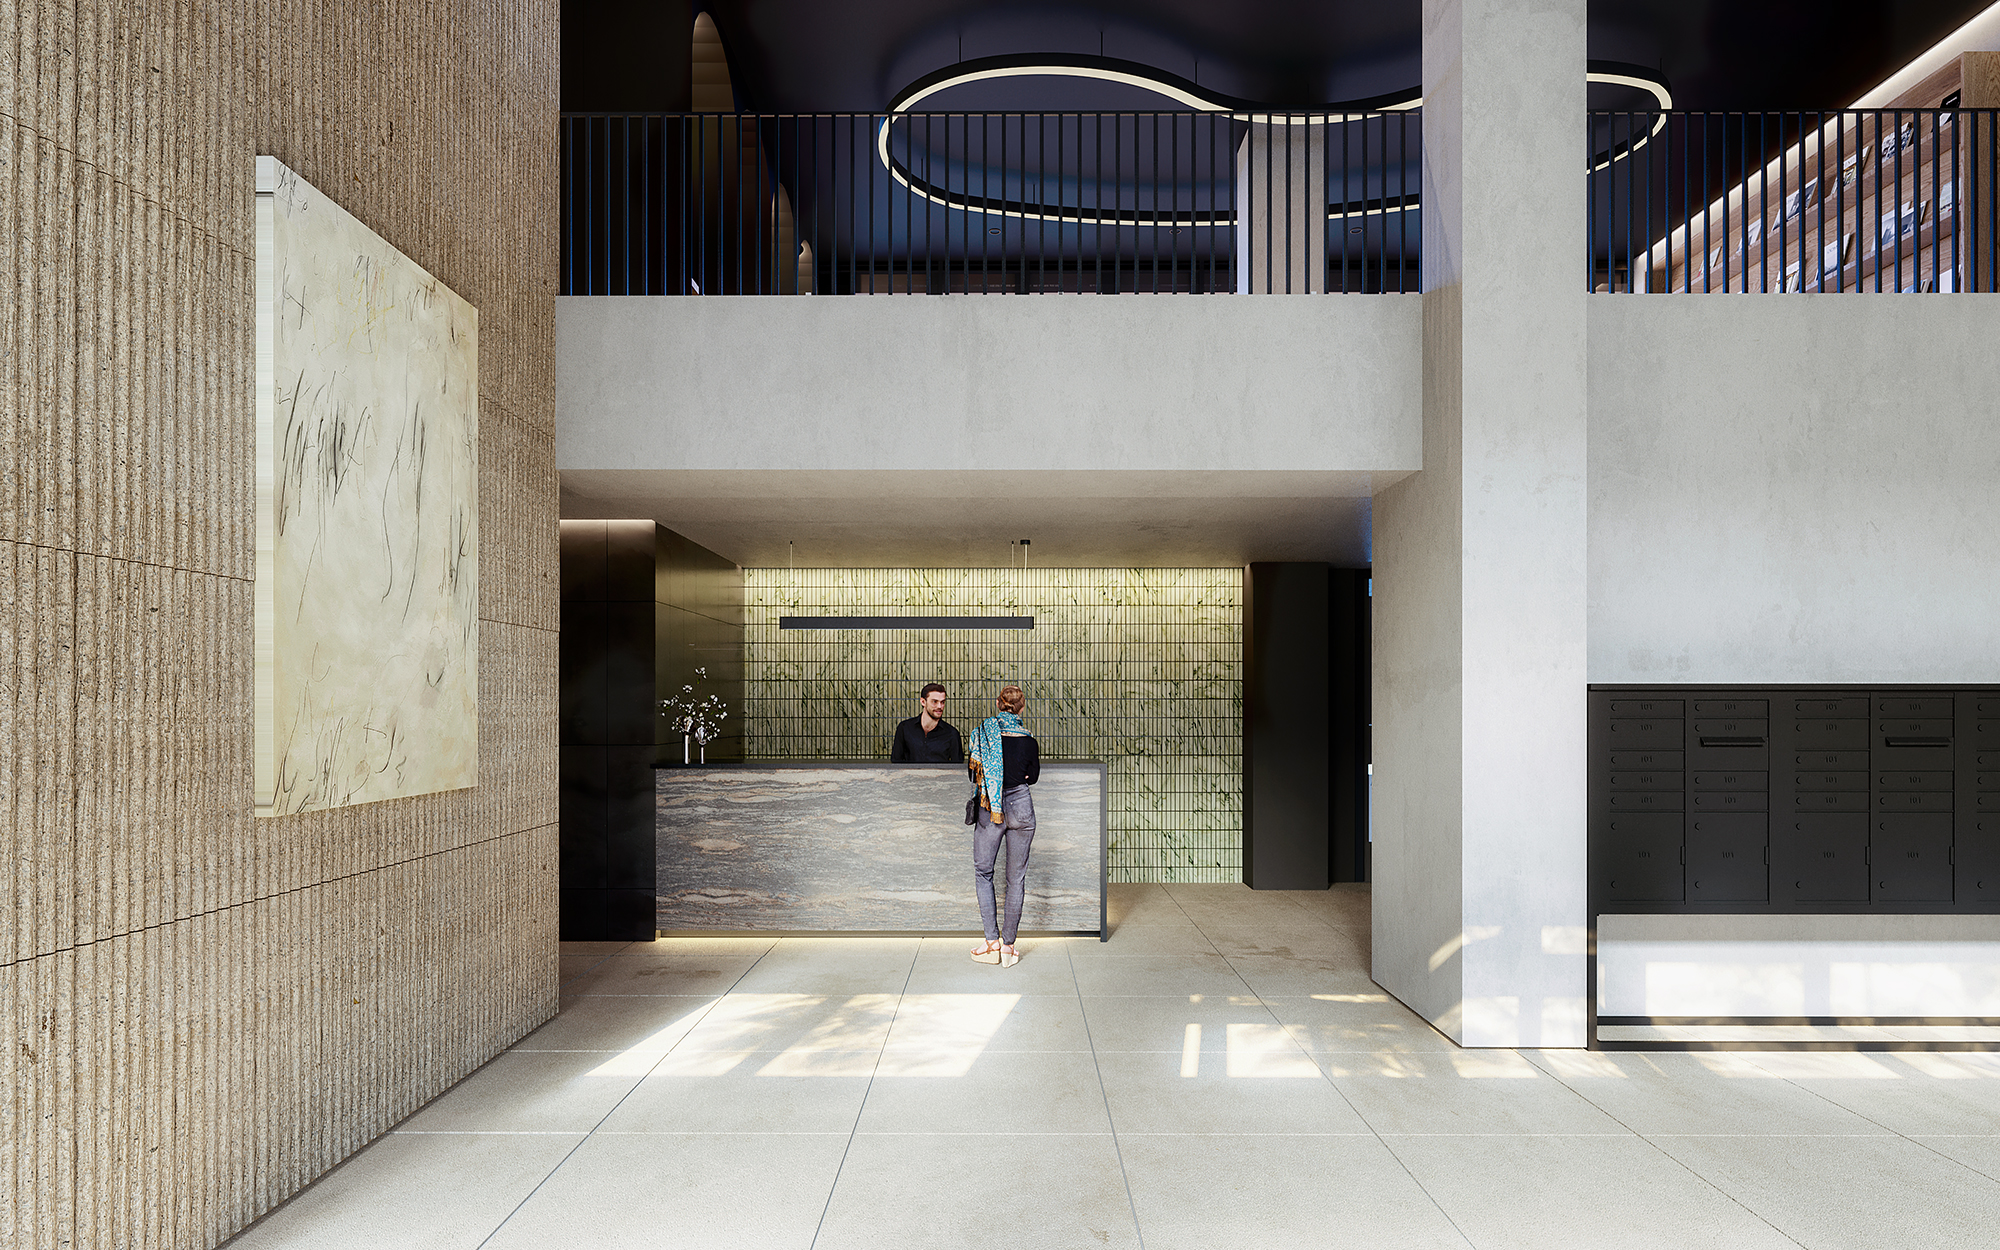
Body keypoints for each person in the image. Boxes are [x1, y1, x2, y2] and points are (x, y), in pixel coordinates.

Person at [967, 685, 1039, 967]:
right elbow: (1032, 777)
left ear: (998, 704)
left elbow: (972, 772)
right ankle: (1009, 947)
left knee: (983, 872)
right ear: (1023, 707)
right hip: (1021, 805)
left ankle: (991, 944)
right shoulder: (1029, 741)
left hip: (990, 807)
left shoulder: (983, 734)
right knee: (1016, 879)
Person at [890, 682, 964, 762]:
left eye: (942, 702)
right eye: (934, 701)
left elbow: (957, 766)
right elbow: (896, 761)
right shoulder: (905, 728)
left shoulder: (952, 734)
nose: (940, 706)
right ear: (923, 702)